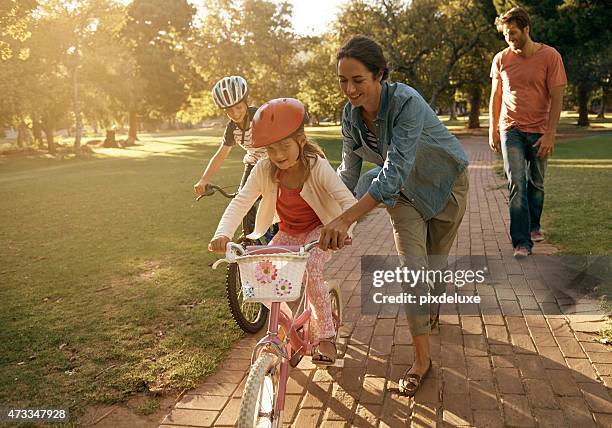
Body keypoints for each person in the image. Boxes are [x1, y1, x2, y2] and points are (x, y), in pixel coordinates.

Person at [318, 35, 469, 396]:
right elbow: (348, 173)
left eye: (358, 80)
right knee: (413, 270)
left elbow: (394, 169)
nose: (350, 89)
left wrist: (348, 218)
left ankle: (434, 299)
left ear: (379, 75)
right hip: (403, 199)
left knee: (435, 264)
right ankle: (422, 361)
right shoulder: (349, 116)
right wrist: (327, 213)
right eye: (343, 80)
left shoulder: (406, 101)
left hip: (445, 184)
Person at [209, 98, 358, 364]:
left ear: (300, 140)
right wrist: (223, 233)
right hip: (288, 232)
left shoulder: (316, 166)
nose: (277, 155)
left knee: (311, 268)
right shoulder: (265, 169)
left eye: (284, 146)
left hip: (320, 231)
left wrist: (342, 228)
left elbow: (348, 203)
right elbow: (241, 201)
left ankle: (325, 334)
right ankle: (289, 326)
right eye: (270, 149)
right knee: (262, 278)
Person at [489, 7, 567, 258]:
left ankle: (534, 225)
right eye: (505, 33)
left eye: (512, 32)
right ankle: (521, 241)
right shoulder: (501, 59)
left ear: (526, 29)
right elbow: (496, 96)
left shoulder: (550, 56)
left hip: (540, 130)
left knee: (536, 183)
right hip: (511, 129)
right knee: (516, 183)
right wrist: (493, 128)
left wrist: (551, 133)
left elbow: (557, 97)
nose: (509, 38)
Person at [194, 75, 266, 236]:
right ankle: (250, 238)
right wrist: (204, 179)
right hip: (253, 163)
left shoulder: (261, 116)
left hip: (274, 162)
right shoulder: (232, 128)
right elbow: (221, 155)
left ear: (246, 102)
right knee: (242, 200)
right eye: (229, 110)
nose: (235, 113)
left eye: (239, 107)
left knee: (279, 200)